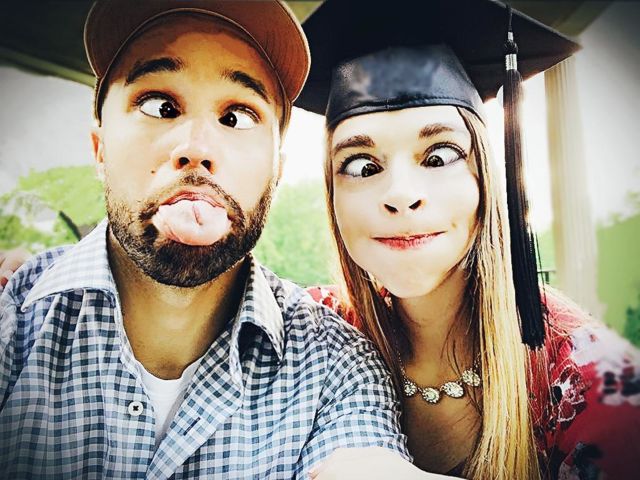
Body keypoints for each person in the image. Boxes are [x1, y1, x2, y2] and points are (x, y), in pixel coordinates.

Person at [0, 1, 421, 478]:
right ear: (100, 149)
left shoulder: (337, 367)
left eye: (237, 116)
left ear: (276, 170)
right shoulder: (14, 319)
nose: (196, 149)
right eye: (160, 107)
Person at [294, 0, 640, 478]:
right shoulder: (316, 333)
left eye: (438, 157)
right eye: (362, 166)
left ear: (485, 181)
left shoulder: (587, 375)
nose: (401, 195)